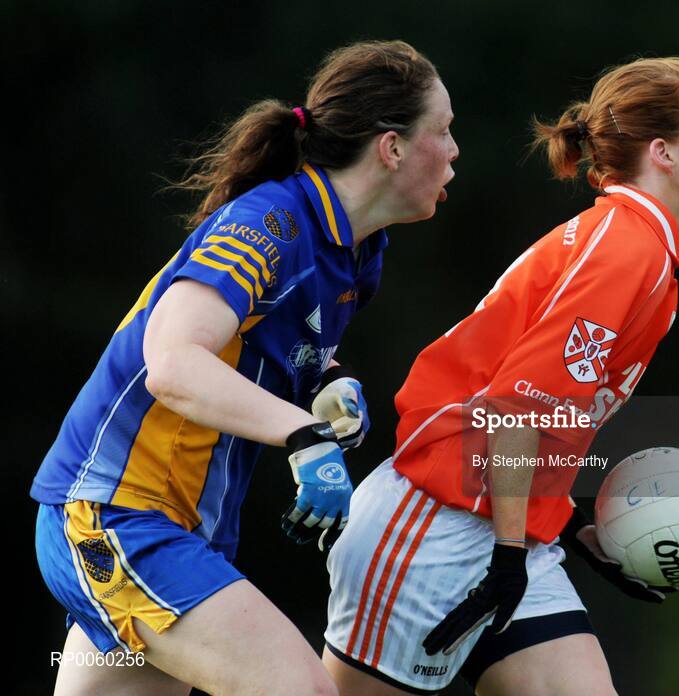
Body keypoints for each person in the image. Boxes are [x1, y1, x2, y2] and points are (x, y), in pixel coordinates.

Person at [31, 40, 458, 695]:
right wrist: (303, 435)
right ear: (391, 146)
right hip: (115, 516)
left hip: (175, 530)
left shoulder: (355, 249)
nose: (454, 151)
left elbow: (277, 341)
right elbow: (172, 362)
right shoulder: (268, 225)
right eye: (443, 131)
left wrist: (327, 384)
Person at [321, 54, 679, 695]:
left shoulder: (641, 246)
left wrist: (564, 521)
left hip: (500, 529)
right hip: (434, 526)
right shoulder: (628, 249)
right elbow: (514, 407)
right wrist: (511, 553)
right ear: (663, 152)